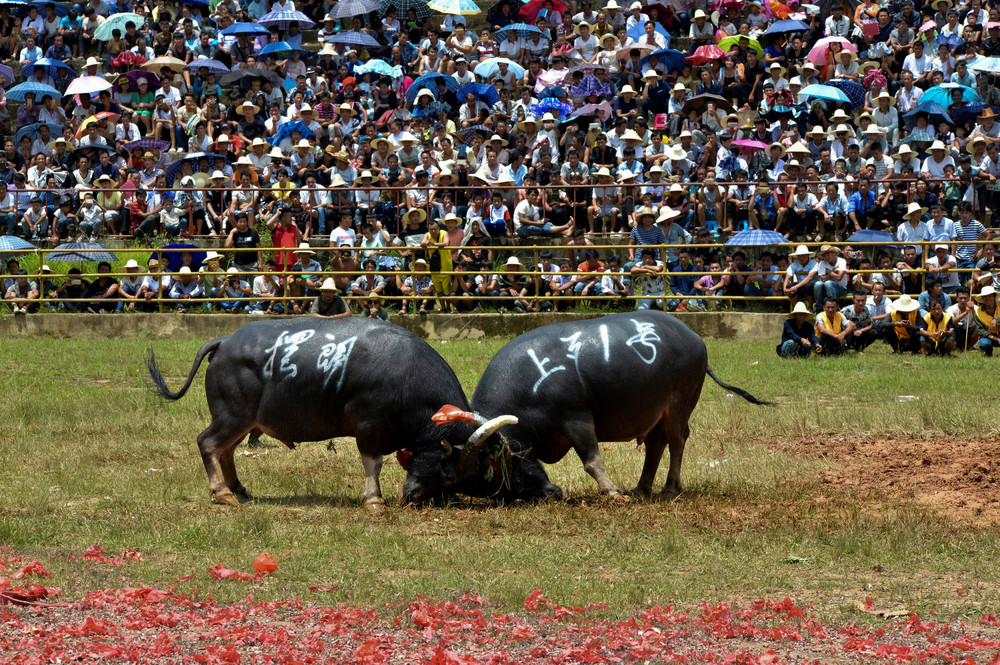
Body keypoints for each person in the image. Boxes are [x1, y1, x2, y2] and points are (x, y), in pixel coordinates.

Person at [946, 286, 979, 351]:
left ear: (969, 298)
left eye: (965, 298)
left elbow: (979, 322)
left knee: (979, 328)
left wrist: (972, 311)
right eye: (960, 298)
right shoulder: (951, 309)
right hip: (957, 331)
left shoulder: (976, 308)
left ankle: (969, 346)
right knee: (950, 328)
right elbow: (951, 322)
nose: (963, 300)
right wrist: (965, 313)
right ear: (956, 299)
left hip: (970, 330)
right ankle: (955, 345)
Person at [973, 286, 1000, 356]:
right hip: (989, 336)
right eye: (985, 296)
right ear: (982, 298)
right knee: (984, 344)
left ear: (994, 296)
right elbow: (980, 330)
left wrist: (996, 320)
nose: (987, 298)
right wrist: (996, 339)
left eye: (990, 296)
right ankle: (988, 352)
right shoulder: (978, 312)